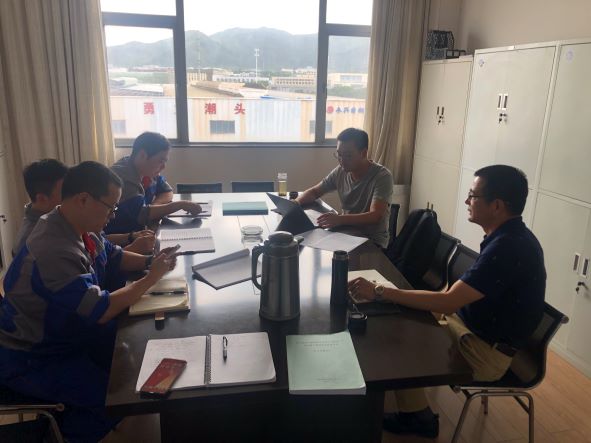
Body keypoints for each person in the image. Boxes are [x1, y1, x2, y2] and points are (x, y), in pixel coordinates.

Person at [348, 165, 546, 438]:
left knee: (396, 337)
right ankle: (407, 405)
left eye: (473, 196)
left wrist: (380, 291)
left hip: (485, 353)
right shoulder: (508, 237)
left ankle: (418, 418)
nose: (467, 201)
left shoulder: (508, 248)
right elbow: (454, 300)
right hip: (471, 327)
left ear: (497, 206)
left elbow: (449, 301)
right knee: (398, 317)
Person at [0, 161, 177, 442]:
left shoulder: (75, 223)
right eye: (111, 207)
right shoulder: (52, 247)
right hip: (34, 356)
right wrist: (151, 278)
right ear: (83, 199)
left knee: (135, 350)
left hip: (67, 332)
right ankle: (61, 434)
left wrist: (151, 262)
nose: (113, 215)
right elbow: (101, 309)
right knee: (114, 400)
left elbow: (114, 255)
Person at [11, 159, 155, 257]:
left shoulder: (64, 216)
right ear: (42, 199)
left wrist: (130, 237)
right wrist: (133, 249)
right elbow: (91, 269)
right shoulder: (36, 238)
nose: (74, 192)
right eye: (65, 190)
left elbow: (100, 240)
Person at [295, 128, 393, 248]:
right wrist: (295, 203)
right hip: (347, 233)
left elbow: (375, 216)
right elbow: (315, 191)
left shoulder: (382, 176)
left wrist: (339, 219)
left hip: (371, 241)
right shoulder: (341, 171)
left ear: (363, 153)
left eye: (348, 155)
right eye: (339, 154)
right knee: (304, 242)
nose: (342, 160)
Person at [105, 131, 203, 234]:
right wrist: (180, 205)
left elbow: (167, 191)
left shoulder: (147, 170)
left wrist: (155, 206)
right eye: (161, 161)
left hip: (141, 233)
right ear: (142, 155)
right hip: (121, 238)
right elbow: (142, 214)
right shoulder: (122, 178)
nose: (163, 166)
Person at [11, 159, 68, 257]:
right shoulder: (31, 242)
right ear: (41, 199)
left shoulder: (54, 218)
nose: (71, 196)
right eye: (65, 192)